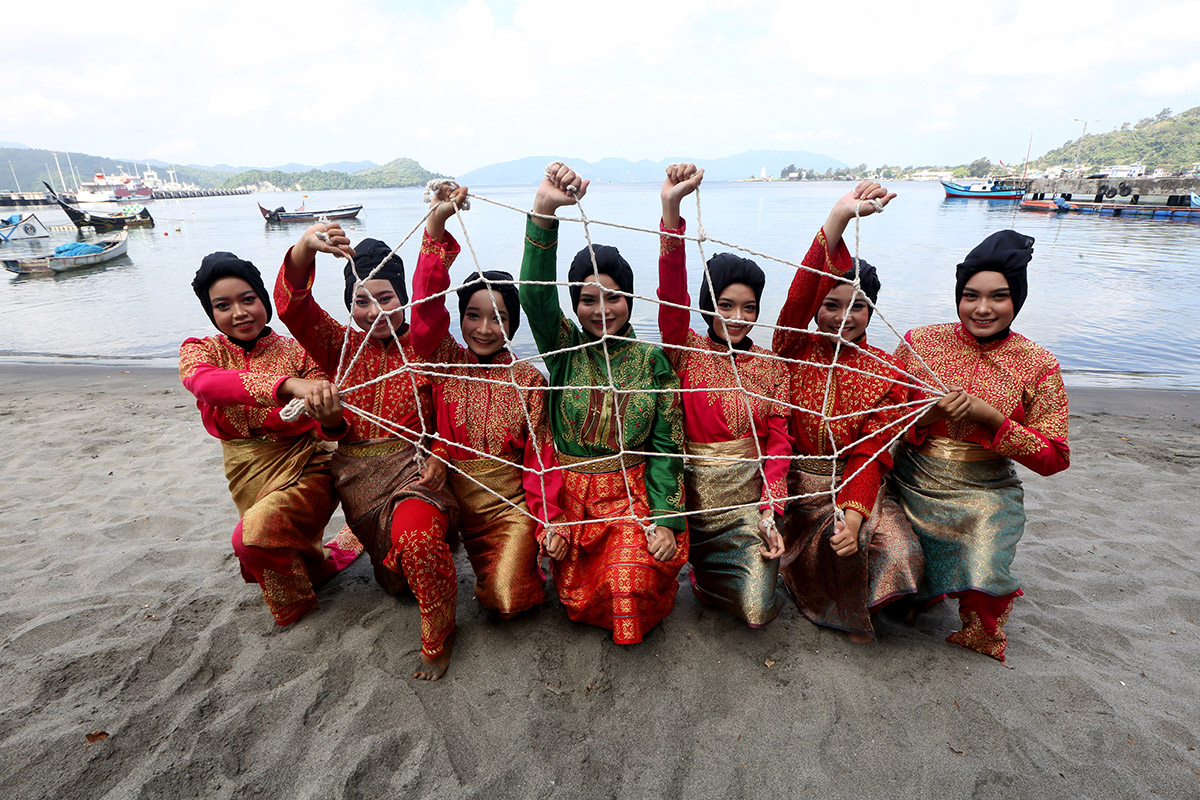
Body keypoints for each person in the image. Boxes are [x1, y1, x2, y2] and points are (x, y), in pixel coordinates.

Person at [274, 224, 460, 681]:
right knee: (394, 583)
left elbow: (456, 409)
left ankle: (440, 637)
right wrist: (304, 248)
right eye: (362, 300)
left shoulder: (428, 344)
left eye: (387, 298)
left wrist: (441, 453)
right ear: (348, 305)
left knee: (417, 540)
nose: (375, 311)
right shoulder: (339, 348)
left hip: (418, 475)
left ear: (405, 299)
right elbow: (292, 308)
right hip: (358, 485)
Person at [519, 162, 688, 645]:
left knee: (629, 581)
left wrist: (665, 521)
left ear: (629, 300)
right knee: (582, 594)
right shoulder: (564, 349)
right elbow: (533, 297)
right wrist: (545, 212)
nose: (602, 310)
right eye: (588, 299)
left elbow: (665, 449)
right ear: (574, 305)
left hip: (633, 499)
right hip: (572, 503)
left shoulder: (652, 361)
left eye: (612, 298)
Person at [889, 229, 1070, 663]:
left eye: (999, 297)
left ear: (1017, 300)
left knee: (987, 554)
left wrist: (993, 420)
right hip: (912, 477)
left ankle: (980, 627)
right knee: (893, 571)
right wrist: (930, 415)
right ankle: (917, 594)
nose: (982, 309)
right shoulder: (920, 343)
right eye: (971, 296)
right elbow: (880, 418)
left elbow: (1054, 458)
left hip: (987, 485)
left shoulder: (1039, 364)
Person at [772, 180, 924, 643]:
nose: (843, 317)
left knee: (899, 551)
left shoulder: (887, 370)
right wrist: (838, 219)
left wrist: (856, 513)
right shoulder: (791, 346)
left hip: (858, 483)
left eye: (857, 306)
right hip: (800, 487)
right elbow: (798, 295)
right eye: (831, 305)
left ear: (872, 309)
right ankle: (841, 603)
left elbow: (873, 450)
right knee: (836, 554)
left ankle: (885, 596)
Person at [410, 184, 568, 618]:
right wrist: (437, 225)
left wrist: (548, 518)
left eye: (498, 317)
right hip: (455, 504)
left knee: (507, 600)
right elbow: (424, 314)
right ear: (460, 319)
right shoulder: (445, 362)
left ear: (513, 324)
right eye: (472, 315)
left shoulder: (529, 380)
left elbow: (542, 458)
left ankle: (527, 560)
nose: (483, 328)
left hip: (510, 508)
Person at [180, 252, 361, 627]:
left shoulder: (296, 351)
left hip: (307, 463)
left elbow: (333, 424)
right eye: (223, 305)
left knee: (252, 538)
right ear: (210, 312)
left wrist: (328, 413)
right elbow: (207, 385)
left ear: (263, 299)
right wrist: (286, 385)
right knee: (267, 536)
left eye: (249, 299)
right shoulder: (199, 351)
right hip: (244, 466)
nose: (240, 312)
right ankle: (316, 569)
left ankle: (296, 607)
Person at [656, 163, 790, 626]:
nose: (738, 316)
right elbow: (669, 295)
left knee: (758, 612)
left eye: (749, 307)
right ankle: (700, 575)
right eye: (725, 305)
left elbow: (777, 444)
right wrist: (671, 210)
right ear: (706, 307)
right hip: (689, 501)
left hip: (746, 510)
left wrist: (771, 510)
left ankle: (727, 577)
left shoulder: (771, 365)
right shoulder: (684, 350)